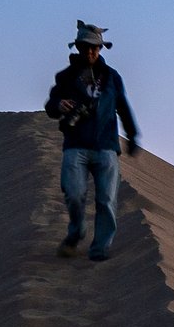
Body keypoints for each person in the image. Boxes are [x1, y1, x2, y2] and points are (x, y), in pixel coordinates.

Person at [42, 22, 141, 261]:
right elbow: (50, 106)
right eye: (86, 47)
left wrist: (132, 134)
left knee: (107, 200)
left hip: (106, 146)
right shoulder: (66, 77)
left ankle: (100, 249)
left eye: (95, 48)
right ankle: (76, 232)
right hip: (75, 145)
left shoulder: (112, 78)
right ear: (78, 47)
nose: (90, 52)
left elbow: (123, 107)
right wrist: (59, 105)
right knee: (74, 193)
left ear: (101, 49)